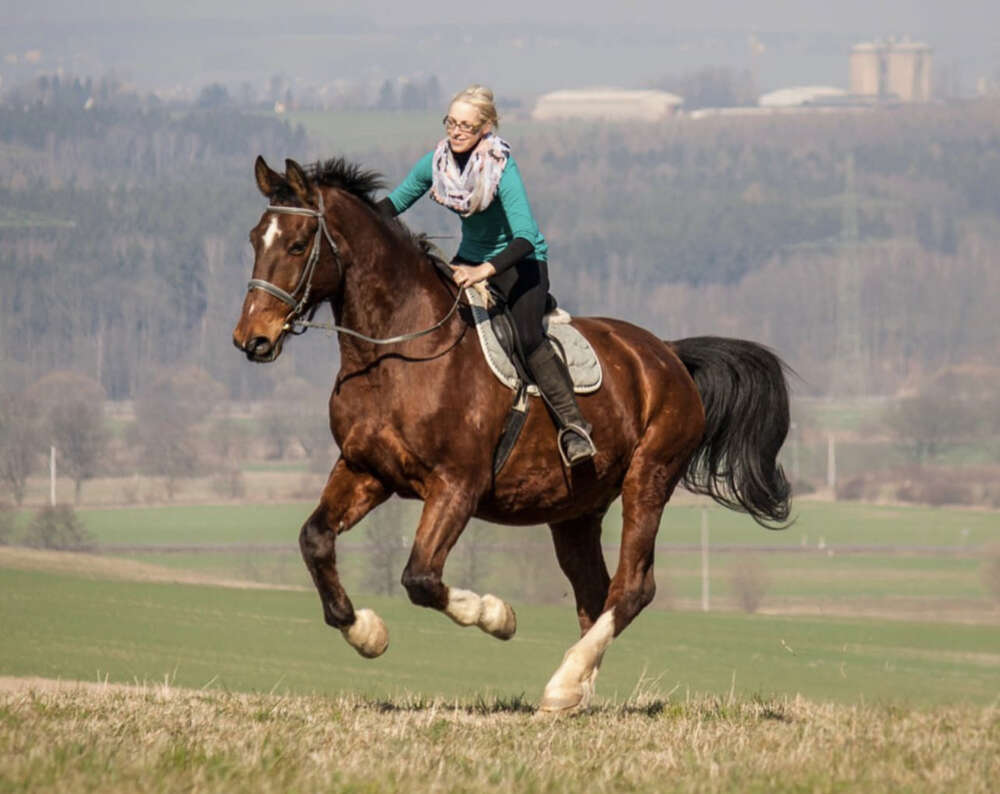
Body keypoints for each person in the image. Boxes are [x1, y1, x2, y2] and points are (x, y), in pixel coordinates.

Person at [376, 84, 595, 465]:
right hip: (469, 261)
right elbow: (393, 204)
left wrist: (482, 272)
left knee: (528, 337)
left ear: (485, 128)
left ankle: (574, 428)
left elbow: (526, 236)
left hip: (519, 265)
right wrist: (350, 218)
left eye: (466, 125)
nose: (456, 131)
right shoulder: (435, 163)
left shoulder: (502, 167)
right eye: (451, 122)